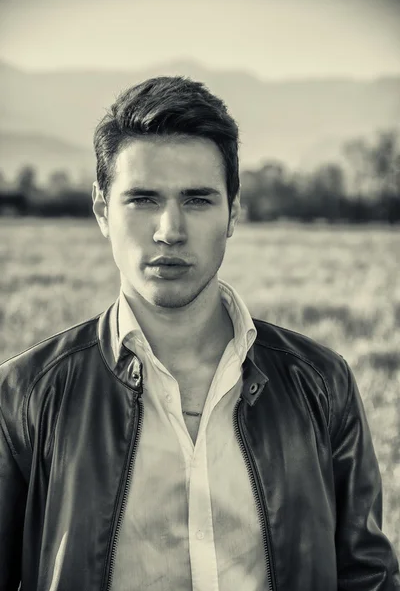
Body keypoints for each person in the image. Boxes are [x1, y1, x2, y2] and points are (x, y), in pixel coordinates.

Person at [0, 76, 399, 591]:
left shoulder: (322, 382)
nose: (170, 229)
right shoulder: (23, 397)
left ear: (233, 211)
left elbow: (368, 577)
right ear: (102, 210)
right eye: (142, 199)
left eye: (198, 199)